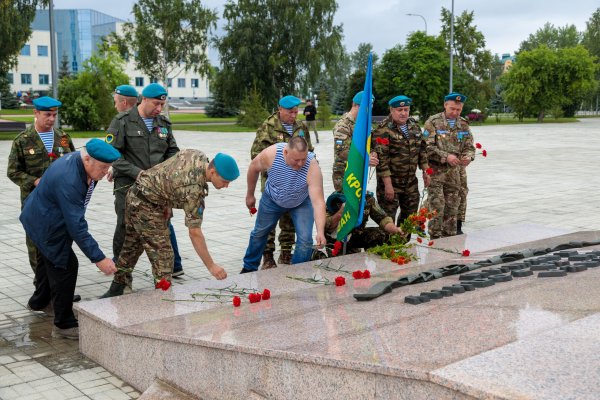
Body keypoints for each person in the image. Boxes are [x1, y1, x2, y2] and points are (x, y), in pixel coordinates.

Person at [102, 150, 239, 297]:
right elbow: (195, 233)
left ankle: (117, 288)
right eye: (225, 181)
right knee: (164, 257)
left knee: (132, 246)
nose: (226, 186)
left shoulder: (198, 155)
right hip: (146, 205)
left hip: (138, 194)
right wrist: (211, 266)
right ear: (212, 172)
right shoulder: (194, 190)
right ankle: (164, 299)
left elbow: (169, 173)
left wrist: (166, 203)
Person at [20, 139, 120, 339]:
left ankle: (40, 301)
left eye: (108, 167)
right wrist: (99, 259)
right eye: (103, 167)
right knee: (65, 265)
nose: (105, 171)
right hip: (46, 224)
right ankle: (63, 324)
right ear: (87, 159)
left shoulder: (82, 162)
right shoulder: (70, 179)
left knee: (47, 261)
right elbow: (77, 226)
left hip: (39, 215)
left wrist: (106, 169)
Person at [106, 83, 184, 280]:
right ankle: (122, 278)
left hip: (157, 190)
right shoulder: (122, 121)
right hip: (129, 187)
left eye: (162, 105)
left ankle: (164, 276)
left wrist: (166, 171)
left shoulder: (163, 124)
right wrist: (137, 172)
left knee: (161, 230)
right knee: (125, 229)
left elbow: (172, 152)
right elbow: (112, 154)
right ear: (144, 100)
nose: (159, 109)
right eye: (156, 104)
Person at [7, 96, 77, 294]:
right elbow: (13, 172)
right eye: (47, 115)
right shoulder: (22, 140)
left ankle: (60, 290)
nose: (51, 119)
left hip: (60, 204)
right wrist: (35, 181)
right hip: (35, 204)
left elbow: (73, 163)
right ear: (35, 113)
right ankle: (42, 290)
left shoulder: (63, 137)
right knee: (37, 248)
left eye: (54, 115)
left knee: (61, 245)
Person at [242, 136, 326, 273]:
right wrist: (250, 195)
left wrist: (320, 231)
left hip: (300, 202)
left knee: (305, 240)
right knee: (259, 232)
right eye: (296, 159)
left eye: (303, 159)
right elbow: (253, 167)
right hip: (272, 198)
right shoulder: (271, 155)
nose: (300, 164)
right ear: (286, 152)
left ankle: (296, 272)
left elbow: (318, 202)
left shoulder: (312, 166)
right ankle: (249, 267)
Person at [251, 95, 314, 269]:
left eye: (296, 112)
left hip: (297, 182)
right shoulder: (268, 127)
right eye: (290, 112)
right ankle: (268, 256)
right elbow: (256, 155)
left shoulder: (301, 127)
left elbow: (309, 151)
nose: (294, 115)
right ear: (280, 109)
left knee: (290, 219)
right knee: (268, 222)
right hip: (274, 182)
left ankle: (286, 253)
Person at [423, 93, 475, 239]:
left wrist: (468, 157)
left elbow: (469, 146)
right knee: (437, 206)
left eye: (458, 110)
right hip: (436, 173)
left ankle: (450, 238)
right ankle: (434, 236)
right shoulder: (433, 122)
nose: (455, 112)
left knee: (452, 207)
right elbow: (426, 147)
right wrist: (446, 156)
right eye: (452, 109)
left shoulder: (463, 124)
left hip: (455, 174)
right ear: (445, 105)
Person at [372, 95, 430, 227]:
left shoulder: (414, 126)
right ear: (392, 110)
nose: (403, 113)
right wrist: (388, 185)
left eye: (406, 109)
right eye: (400, 110)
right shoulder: (383, 129)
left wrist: (426, 171)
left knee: (410, 218)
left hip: (410, 182)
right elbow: (382, 160)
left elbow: (422, 149)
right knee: (388, 219)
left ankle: (403, 242)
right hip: (391, 183)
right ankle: (389, 246)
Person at [320, 191, 403, 256]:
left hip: (355, 236)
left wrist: (395, 229)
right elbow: (325, 226)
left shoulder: (367, 198)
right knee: (338, 266)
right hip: (336, 240)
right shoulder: (335, 199)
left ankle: (372, 260)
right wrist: (341, 213)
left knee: (381, 234)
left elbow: (383, 219)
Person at [332, 91, 379, 192]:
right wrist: (366, 159)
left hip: (359, 171)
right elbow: (342, 152)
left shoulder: (364, 123)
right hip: (345, 174)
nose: (369, 112)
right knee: (348, 205)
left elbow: (370, 141)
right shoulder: (343, 125)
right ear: (356, 106)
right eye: (366, 108)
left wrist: (373, 152)